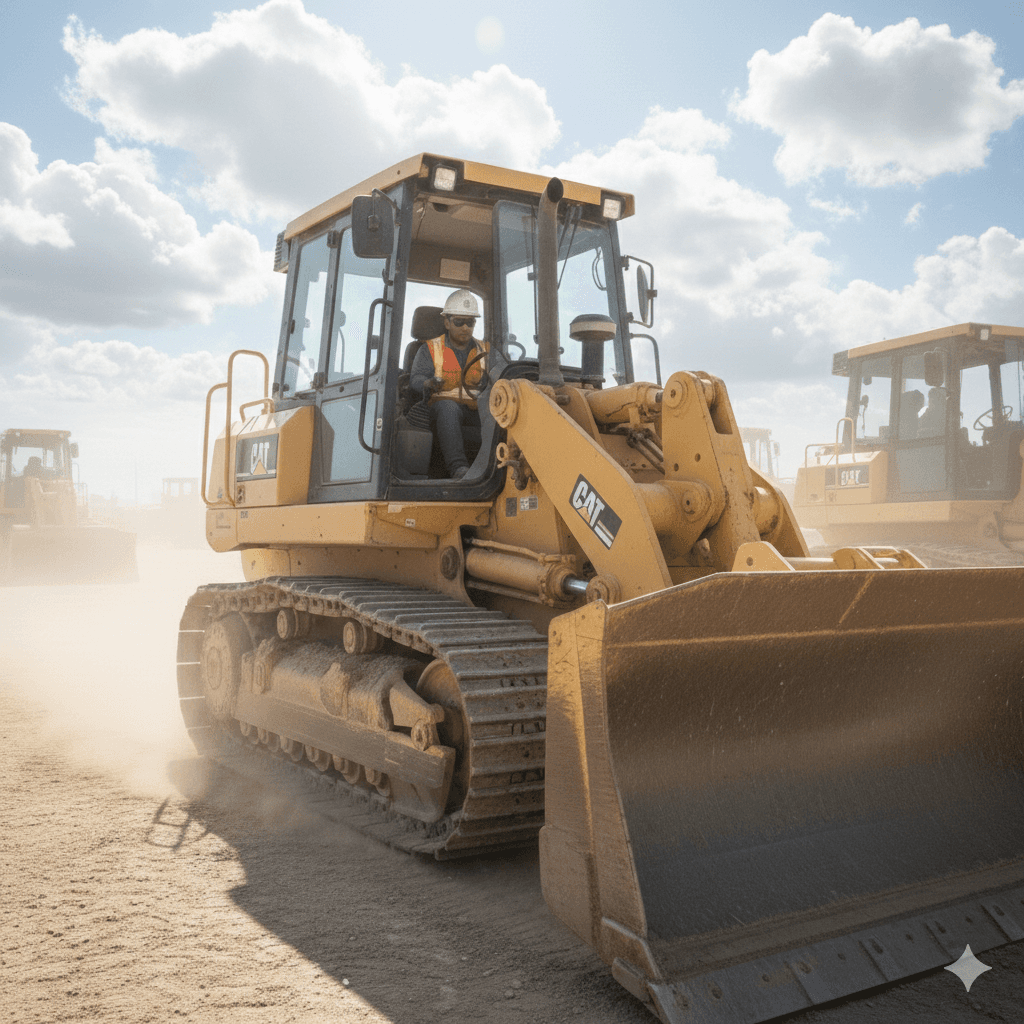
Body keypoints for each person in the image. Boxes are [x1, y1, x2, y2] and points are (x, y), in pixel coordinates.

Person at [410, 290, 488, 479]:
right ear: (447, 322)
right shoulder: (429, 348)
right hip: (441, 409)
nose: (465, 328)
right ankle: (459, 469)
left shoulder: (485, 350)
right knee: (448, 408)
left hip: (477, 408)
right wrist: (427, 383)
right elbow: (416, 378)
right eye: (459, 322)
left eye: (470, 323)